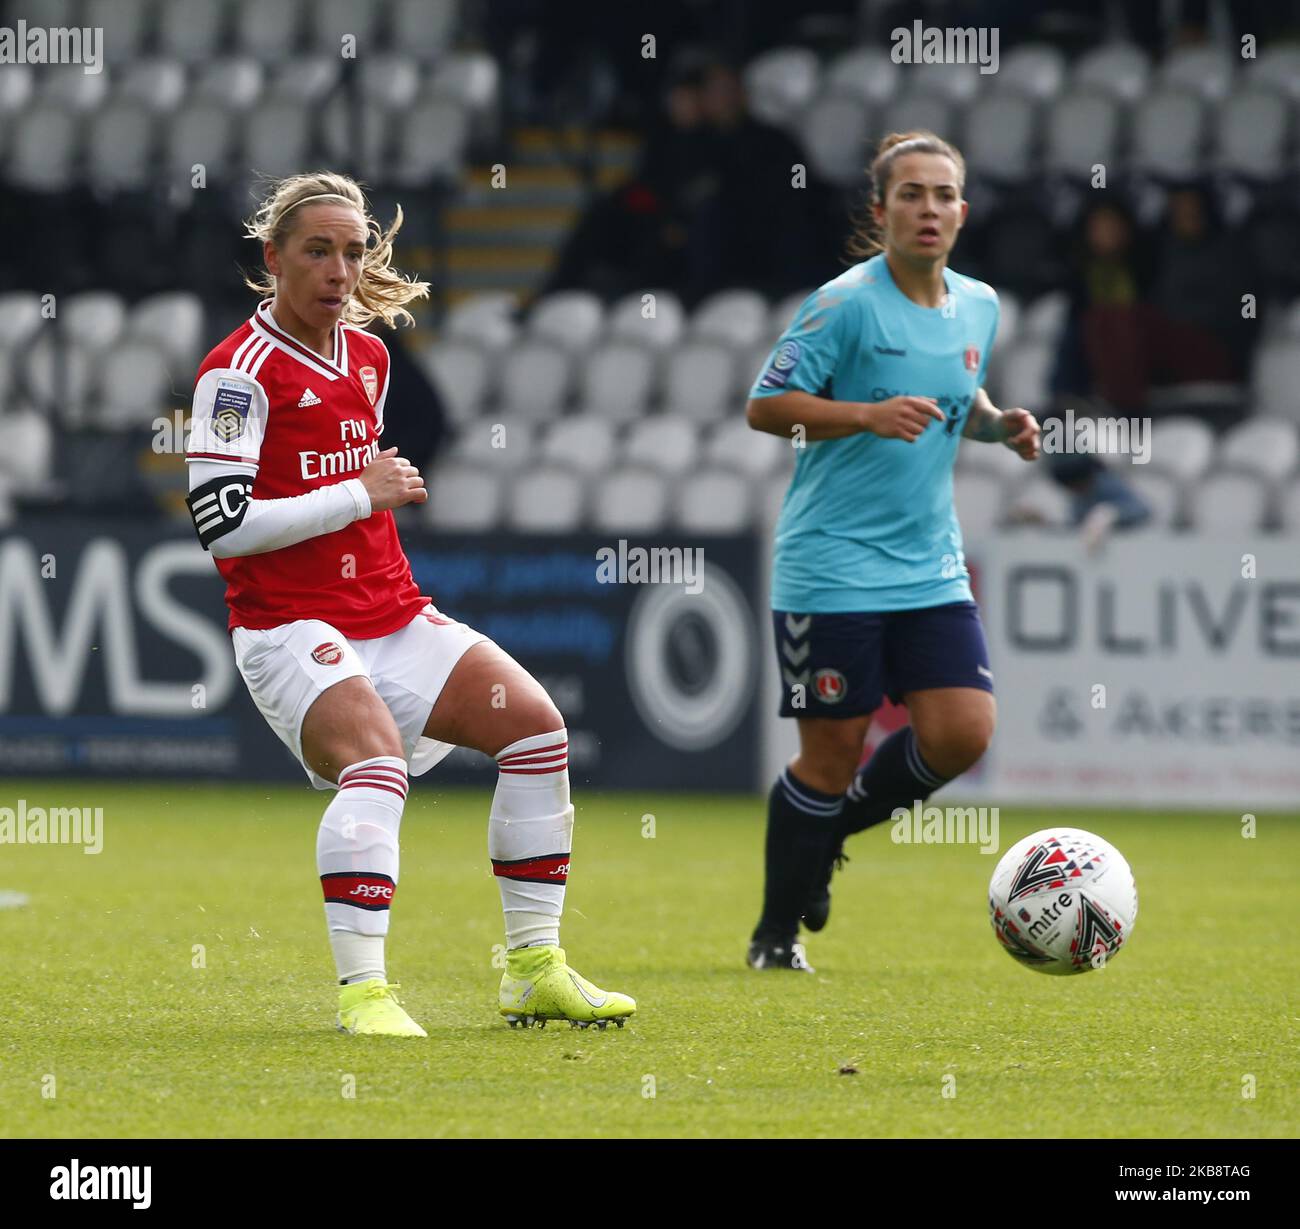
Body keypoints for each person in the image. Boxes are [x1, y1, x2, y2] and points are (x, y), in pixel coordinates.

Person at [183, 171, 634, 1033]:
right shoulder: (234, 375)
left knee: (538, 730)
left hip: (393, 613)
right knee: (377, 763)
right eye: (318, 250)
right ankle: (365, 994)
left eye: (353, 252)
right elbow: (223, 525)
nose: (338, 270)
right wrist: (361, 492)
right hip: (289, 628)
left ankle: (534, 969)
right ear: (273, 257)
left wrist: (361, 497)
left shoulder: (371, 357)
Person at [743, 132, 1041, 971]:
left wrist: (995, 425)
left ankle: (822, 836)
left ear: (963, 212)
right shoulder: (844, 303)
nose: (929, 209)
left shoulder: (979, 304)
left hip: (928, 566)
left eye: (944, 195)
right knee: (830, 755)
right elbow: (767, 408)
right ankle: (775, 935)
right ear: (880, 211)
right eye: (911, 194)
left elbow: (960, 391)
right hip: (830, 565)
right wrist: (865, 414)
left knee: (962, 734)